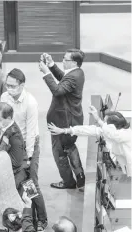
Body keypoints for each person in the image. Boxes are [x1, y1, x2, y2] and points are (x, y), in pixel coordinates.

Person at [0, 68, 48, 230]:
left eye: (13, 86)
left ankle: (41, 218)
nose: (9, 89)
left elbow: (31, 131)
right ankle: (26, 216)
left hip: (29, 147)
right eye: (7, 85)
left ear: (22, 85)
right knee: (17, 183)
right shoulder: (4, 97)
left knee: (31, 184)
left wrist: (27, 158)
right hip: (12, 146)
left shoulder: (30, 103)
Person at [39, 49, 86, 190]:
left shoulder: (73, 77)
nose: (63, 61)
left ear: (74, 62)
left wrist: (46, 72)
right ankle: (80, 176)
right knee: (70, 147)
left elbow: (58, 90)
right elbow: (63, 79)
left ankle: (68, 182)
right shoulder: (77, 73)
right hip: (72, 118)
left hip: (64, 121)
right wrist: (52, 65)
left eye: (65, 59)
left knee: (59, 153)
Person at [48, 105, 131, 177]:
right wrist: (64, 130)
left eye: (105, 123)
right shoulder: (115, 132)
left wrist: (98, 120)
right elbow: (88, 130)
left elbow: (109, 132)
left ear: (112, 127)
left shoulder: (125, 135)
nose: (103, 125)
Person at [0, 103, 27, 194]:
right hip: (15, 174)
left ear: (8, 119)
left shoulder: (15, 136)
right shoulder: (5, 127)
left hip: (19, 177)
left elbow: (16, 162)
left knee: (29, 200)